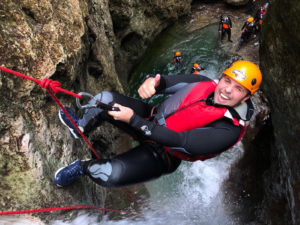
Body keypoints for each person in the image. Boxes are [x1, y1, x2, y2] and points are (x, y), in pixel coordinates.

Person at [54, 60, 262, 188]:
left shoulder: (230, 129)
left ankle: (81, 167)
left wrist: (133, 120)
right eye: (227, 81)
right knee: (104, 98)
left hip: (164, 154)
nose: (226, 90)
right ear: (222, 77)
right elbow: (166, 82)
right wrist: (151, 82)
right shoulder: (204, 82)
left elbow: (182, 141)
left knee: (109, 174)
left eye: (238, 89)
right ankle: (80, 126)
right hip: (151, 118)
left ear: (245, 98)